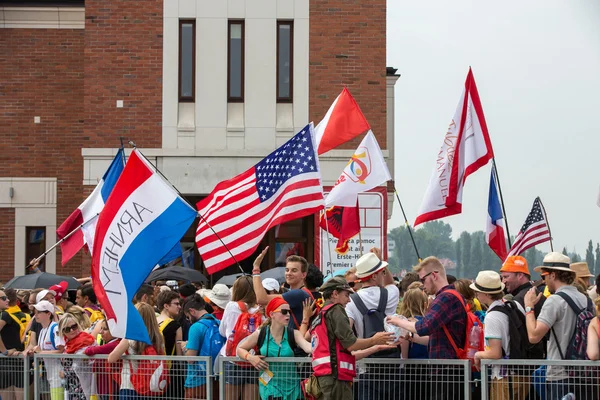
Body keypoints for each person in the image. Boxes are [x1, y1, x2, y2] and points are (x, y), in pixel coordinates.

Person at [387, 256, 467, 400]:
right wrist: (411, 337)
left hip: (447, 370)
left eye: (423, 279)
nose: (422, 285)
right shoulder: (452, 296)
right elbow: (435, 338)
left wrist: (398, 321)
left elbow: (424, 327)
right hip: (449, 369)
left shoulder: (445, 298)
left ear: (434, 275)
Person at [307, 277, 394, 400]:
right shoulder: (336, 309)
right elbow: (351, 344)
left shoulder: (321, 315)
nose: (349, 300)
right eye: (347, 295)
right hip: (335, 378)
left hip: (324, 377)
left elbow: (307, 337)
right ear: (335, 294)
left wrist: (376, 346)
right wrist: (374, 340)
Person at [524, 252, 589, 400]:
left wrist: (529, 308)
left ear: (553, 275)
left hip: (560, 374)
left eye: (543, 276)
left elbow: (533, 336)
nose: (544, 281)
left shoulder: (555, 301)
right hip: (585, 374)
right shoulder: (586, 300)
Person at [345, 251, 400, 400]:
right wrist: (382, 262)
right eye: (381, 272)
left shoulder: (350, 301)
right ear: (375, 276)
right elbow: (390, 283)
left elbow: (347, 333)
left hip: (365, 367)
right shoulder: (391, 293)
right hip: (393, 366)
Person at [237, 297, 312, 400]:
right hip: (269, 385)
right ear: (272, 314)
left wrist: (323, 347)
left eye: (289, 312)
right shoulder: (261, 333)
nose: (288, 315)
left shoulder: (293, 334)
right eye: (284, 312)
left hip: (292, 386)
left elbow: (308, 347)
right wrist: (250, 357)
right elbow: (240, 348)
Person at [470, 271, 529, 400]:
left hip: (504, 377)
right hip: (522, 374)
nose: (476, 294)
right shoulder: (514, 305)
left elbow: (495, 353)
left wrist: (478, 354)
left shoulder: (492, 316)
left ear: (485, 294)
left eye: (477, 291)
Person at [253, 248, 324, 330]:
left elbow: (261, 299)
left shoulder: (298, 294)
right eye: (287, 270)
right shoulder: (298, 292)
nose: (289, 273)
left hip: (298, 341)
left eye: (294, 270)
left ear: (303, 275)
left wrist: (256, 269)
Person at [108, 302, 165, 399]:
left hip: (129, 386)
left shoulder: (130, 338)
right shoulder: (159, 338)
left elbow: (111, 358)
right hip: (150, 386)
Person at [219, 275, 261, 400]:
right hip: (253, 358)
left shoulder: (232, 306)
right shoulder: (261, 309)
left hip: (233, 358)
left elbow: (222, 331)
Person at [183, 294, 225, 400]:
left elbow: (191, 358)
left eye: (188, 316)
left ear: (192, 311)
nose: (188, 319)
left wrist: (185, 347)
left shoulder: (196, 327)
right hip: (217, 378)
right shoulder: (219, 324)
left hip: (197, 380)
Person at [30, 300, 64, 400]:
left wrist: (40, 352)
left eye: (39, 312)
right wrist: (36, 354)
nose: (36, 315)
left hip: (59, 372)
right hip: (49, 372)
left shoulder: (55, 328)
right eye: (35, 312)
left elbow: (62, 350)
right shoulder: (42, 330)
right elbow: (41, 351)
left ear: (48, 313)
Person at [0, 288, 30, 400]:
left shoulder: (5, 315)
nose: (7, 300)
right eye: (3, 298)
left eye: (6, 297)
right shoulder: (4, 315)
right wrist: (5, 351)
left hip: (13, 361)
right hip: (8, 361)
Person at [59, 312, 96, 400]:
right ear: (63, 331)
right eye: (67, 329)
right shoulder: (68, 344)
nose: (72, 330)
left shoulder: (86, 340)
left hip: (86, 386)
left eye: (74, 326)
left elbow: (83, 364)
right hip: (71, 387)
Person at [84, 320, 121, 400]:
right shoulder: (111, 343)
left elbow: (89, 351)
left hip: (110, 388)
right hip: (105, 387)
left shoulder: (114, 344)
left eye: (105, 329)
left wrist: (91, 347)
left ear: (114, 330)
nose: (100, 332)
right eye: (101, 328)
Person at [156, 290, 183, 356]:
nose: (179, 307)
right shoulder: (175, 325)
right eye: (176, 304)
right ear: (166, 306)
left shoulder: (153, 321)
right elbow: (179, 354)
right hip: (170, 364)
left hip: (152, 364)